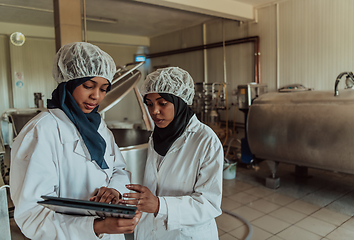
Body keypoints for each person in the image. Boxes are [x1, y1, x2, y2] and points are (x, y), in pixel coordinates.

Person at [9, 42, 141, 240]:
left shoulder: (98, 127)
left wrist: (114, 190)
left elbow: (118, 169)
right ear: (68, 83)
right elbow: (32, 216)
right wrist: (96, 227)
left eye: (104, 89)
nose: (96, 96)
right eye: (88, 86)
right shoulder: (41, 131)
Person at [120, 67, 223, 239]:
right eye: (150, 104)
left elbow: (209, 204)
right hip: (150, 230)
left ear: (179, 100)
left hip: (185, 234)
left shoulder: (205, 141)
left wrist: (160, 205)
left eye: (162, 103)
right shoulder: (157, 136)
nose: (154, 111)